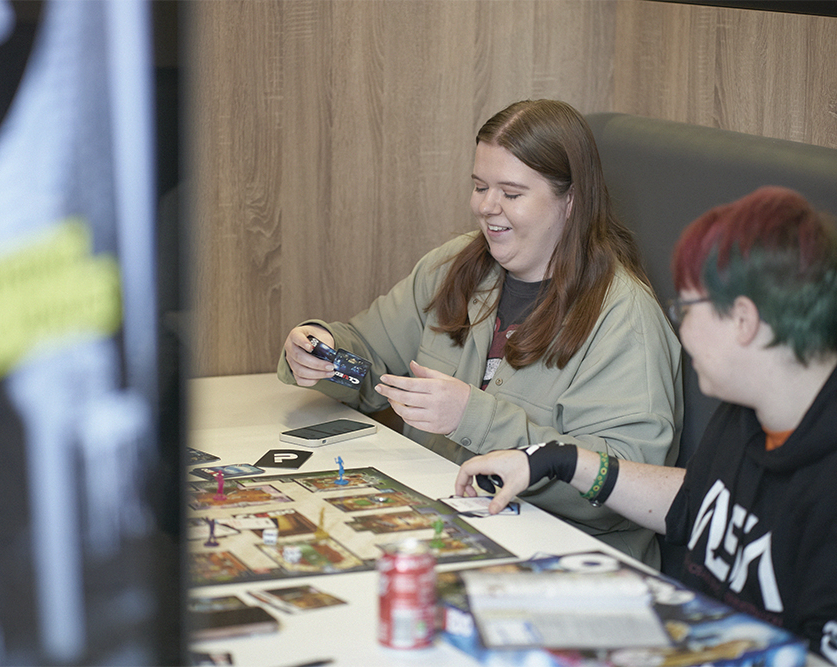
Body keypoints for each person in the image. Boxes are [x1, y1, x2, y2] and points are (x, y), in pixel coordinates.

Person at [455, 186, 837, 666]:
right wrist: (557, 459)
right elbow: (698, 500)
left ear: (743, 320)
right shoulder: (754, 399)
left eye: (685, 309)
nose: (680, 330)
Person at [279, 99, 683, 568]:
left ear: (571, 202)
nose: (487, 207)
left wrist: (471, 416)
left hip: (563, 565)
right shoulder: (455, 267)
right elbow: (369, 364)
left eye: (511, 193)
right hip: (446, 531)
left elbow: (624, 488)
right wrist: (321, 351)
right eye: (479, 186)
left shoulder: (624, 318)